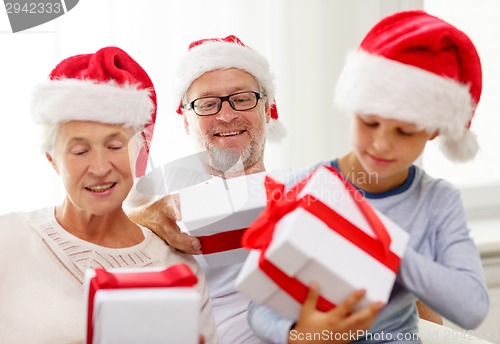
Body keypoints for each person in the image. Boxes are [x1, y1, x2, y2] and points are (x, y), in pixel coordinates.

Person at [247, 10, 490, 343]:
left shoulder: (437, 201)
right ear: (352, 107)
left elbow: (472, 307)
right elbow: (258, 306)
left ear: (433, 132)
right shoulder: (302, 187)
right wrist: (299, 335)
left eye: (404, 132)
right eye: (370, 122)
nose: (381, 144)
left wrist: (380, 247)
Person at [0, 46, 216, 344]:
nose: (100, 168)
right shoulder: (9, 239)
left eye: (115, 146)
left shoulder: (177, 269)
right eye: (80, 150)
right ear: (52, 159)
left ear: (140, 151)